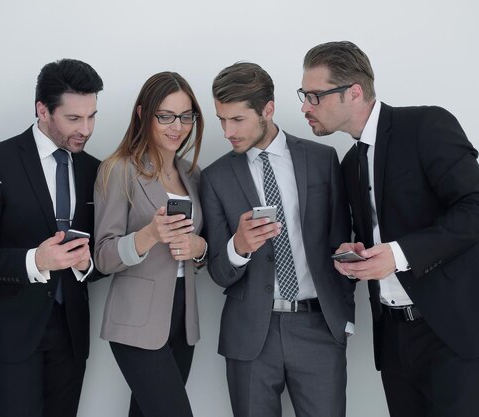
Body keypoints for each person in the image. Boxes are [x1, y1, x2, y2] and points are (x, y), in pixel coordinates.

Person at [299, 40, 479, 417]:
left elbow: (474, 207)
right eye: (304, 96)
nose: (305, 107)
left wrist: (398, 255)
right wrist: (357, 259)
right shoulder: (350, 162)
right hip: (395, 341)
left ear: (354, 92)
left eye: (315, 96)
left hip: (451, 336)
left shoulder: (426, 125)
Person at [201, 62, 354, 417]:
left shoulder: (322, 159)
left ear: (268, 109)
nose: (227, 132)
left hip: (319, 327)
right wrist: (238, 247)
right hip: (251, 334)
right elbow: (219, 273)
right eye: (221, 119)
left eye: (237, 119)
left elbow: (341, 241)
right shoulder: (215, 177)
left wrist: (343, 315)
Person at [0, 59, 103, 417]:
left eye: (92, 116)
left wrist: (87, 264)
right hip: (12, 330)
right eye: (74, 119)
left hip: (71, 333)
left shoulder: (93, 169)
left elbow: (100, 251)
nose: (86, 129)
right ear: (42, 109)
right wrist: (34, 261)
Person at [94, 72, 206, 417]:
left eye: (186, 116)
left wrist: (198, 248)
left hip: (182, 319)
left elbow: (202, 248)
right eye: (166, 116)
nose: (178, 126)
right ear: (143, 114)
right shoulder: (119, 170)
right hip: (135, 322)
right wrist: (149, 235)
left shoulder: (193, 174)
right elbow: (102, 257)